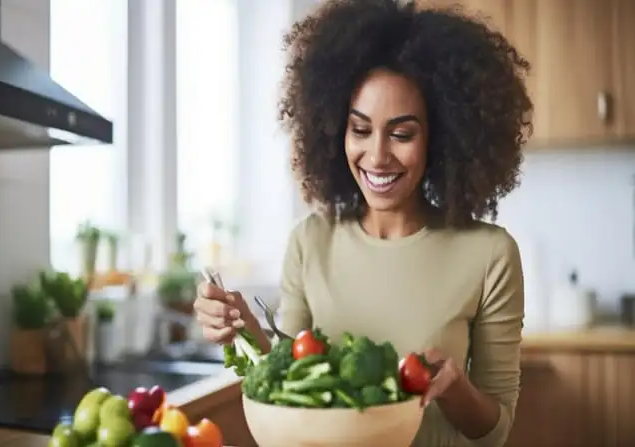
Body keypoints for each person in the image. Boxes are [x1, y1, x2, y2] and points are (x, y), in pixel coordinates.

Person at [193, 0, 532, 445]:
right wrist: (242, 329)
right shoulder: (309, 242)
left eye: (402, 133)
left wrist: (455, 388)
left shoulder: (490, 255)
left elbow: (495, 432)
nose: (376, 156)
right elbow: (292, 384)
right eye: (360, 129)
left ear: (441, 137)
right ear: (336, 131)